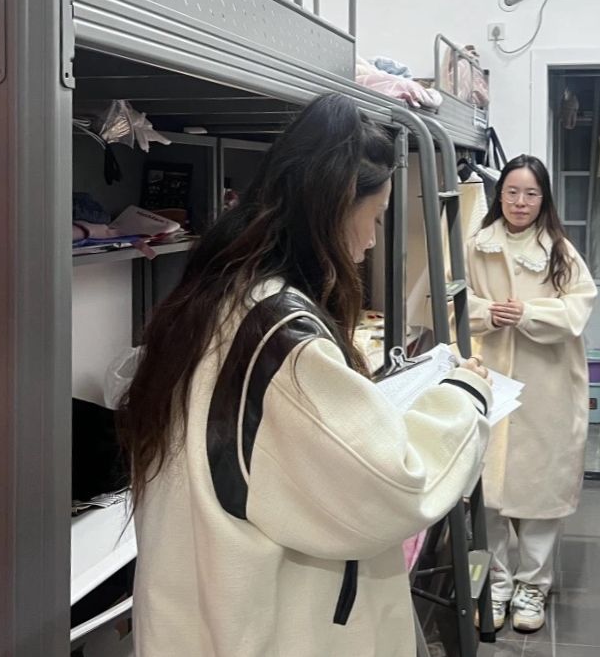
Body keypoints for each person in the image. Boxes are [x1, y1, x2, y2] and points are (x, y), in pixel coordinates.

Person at [119, 94, 492, 657]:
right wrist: (464, 394)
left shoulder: (220, 289)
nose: (372, 240)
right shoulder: (283, 340)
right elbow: (393, 485)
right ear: (338, 205)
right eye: (375, 216)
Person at [465, 155, 598, 634]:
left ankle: (532, 585)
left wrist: (527, 313)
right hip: (489, 377)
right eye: (512, 192)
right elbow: (449, 299)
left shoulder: (560, 251)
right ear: (499, 194)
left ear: (544, 200)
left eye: (531, 194)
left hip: (548, 383)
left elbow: (579, 309)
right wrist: (486, 313)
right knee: (488, 488)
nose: (520, 202)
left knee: (541, 488)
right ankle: (498, 583)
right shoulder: (475, 246)